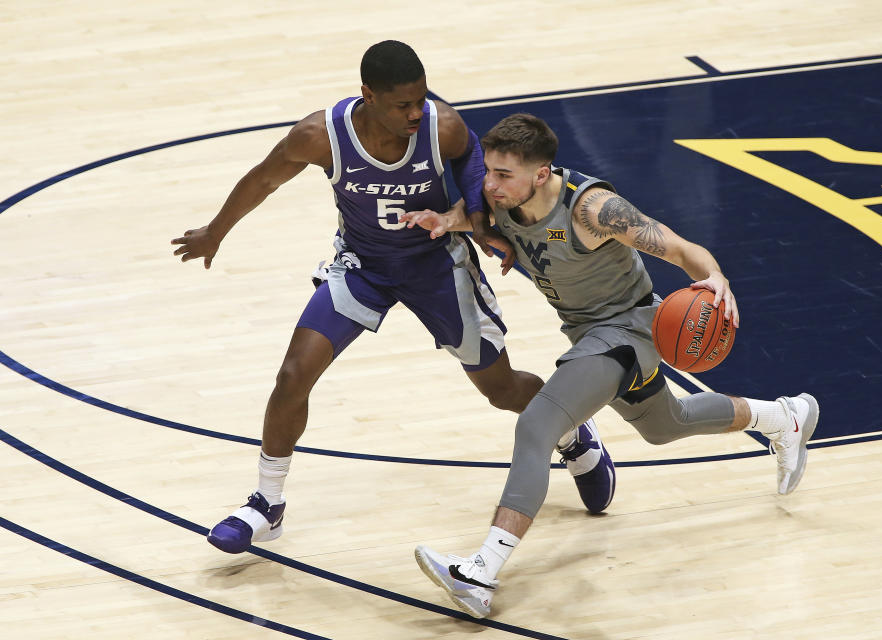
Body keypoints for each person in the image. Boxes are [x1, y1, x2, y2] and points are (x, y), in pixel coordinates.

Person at [170, 42, 616, 555]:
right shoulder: (321, 135)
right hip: (365, 267)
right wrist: (215, 232)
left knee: (501, 389)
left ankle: (574, 434)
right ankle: (266, 505)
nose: (415, 113)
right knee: (294, 373)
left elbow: (473, 160)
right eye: (402, 104)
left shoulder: (439, 125)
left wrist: (478, 220)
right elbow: (265, 178)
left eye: (420, 100)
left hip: (435, 266)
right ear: (368, 96)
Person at [404, 113, 820, 618]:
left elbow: (681, 248)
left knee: (538, 423)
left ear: (541, 174)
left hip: (628, 330)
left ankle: (480, 572)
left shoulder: (594, 210)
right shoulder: (502, 201)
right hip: (587, 331)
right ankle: (784, 417)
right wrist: (451, 220)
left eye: (502, 174)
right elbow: (486, 218)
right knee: (667, 425)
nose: (489, 184)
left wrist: (717, 280)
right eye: (488, 170)